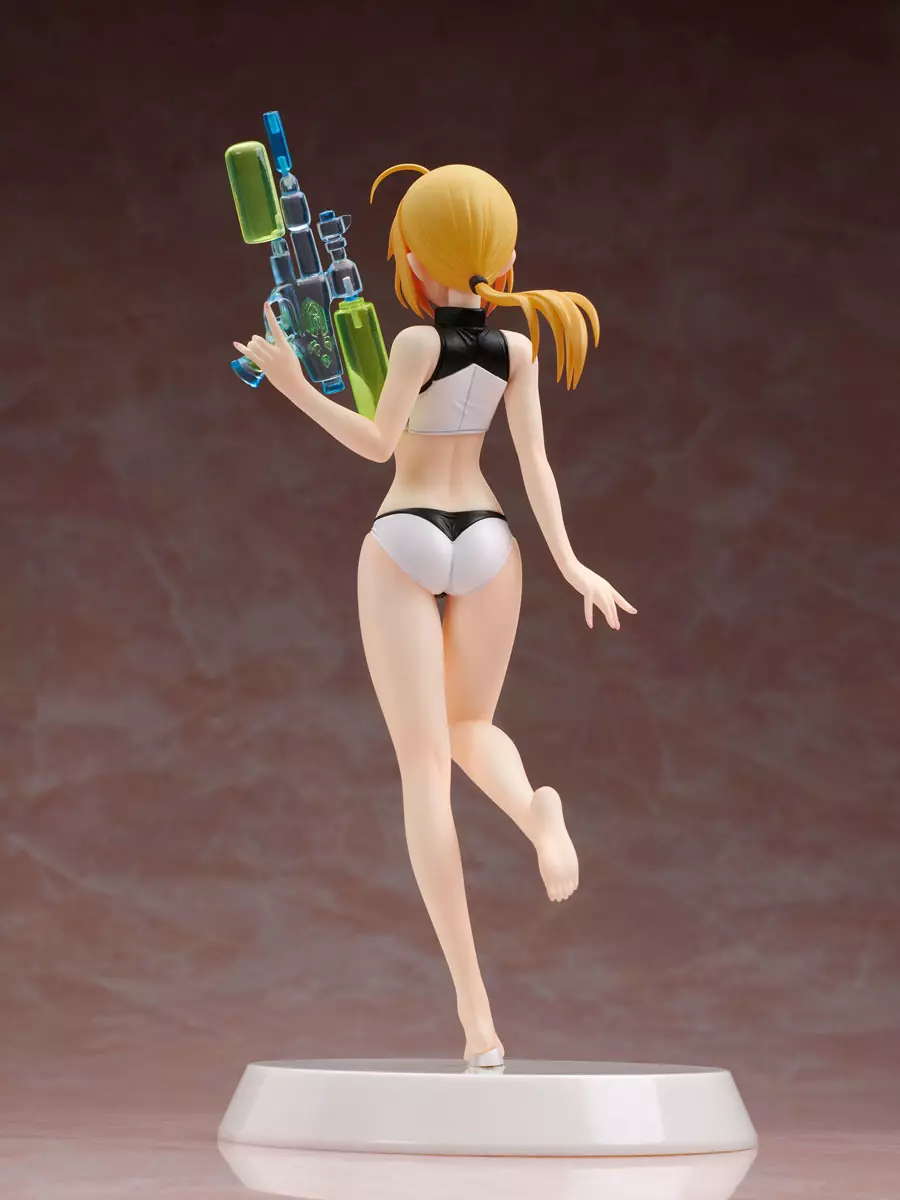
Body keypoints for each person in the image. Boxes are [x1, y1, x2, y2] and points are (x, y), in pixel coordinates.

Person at [233, 163, 636, 1068]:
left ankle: (476, 1015)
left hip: (408, 531)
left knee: (424, 771)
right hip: (490, 537)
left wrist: (292, 382)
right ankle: (535, 812)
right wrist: (573, 565)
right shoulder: (517, 353)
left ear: (412, 260)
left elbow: (378, 446)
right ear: (507, 261)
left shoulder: (415, 343)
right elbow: (536, 468)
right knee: (472, 727)